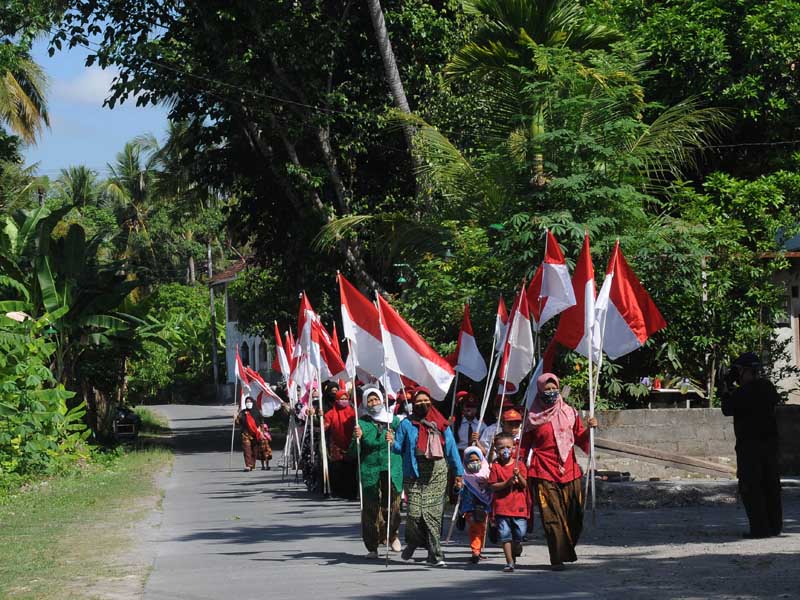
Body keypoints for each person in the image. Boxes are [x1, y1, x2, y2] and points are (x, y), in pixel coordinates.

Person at [523, 373, 597, 570]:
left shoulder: (570, 412)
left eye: (553, 388)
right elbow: (523, 447)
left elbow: (581, 439)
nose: (550, 392)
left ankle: (566, 548)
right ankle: (557, 558)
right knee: (551, 516)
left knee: (575, 515)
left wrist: (590, 429)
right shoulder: (532, 417)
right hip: (543, 471)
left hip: (570, 470)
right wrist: (518, 469)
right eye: (546, 389)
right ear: (539, 391)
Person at [390, 387, 464, 567]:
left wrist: (459, 473)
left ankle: (436, 555)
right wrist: (391, 441)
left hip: (437, 473)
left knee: (432, 516)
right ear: (413, 404)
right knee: (414, 514)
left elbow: (452, 449)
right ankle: (415, 541)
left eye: (426, 401)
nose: (422, 404)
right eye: (419, 402)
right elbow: (399, 448)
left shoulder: (441, 423)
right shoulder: (406, 424)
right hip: (414, 474)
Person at [721, 352, 782, 538]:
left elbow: (727, 409)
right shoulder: (768, 387)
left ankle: (760, 529)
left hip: (750, 447)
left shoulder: (744, 392)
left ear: (746, 371)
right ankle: (774, 527)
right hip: (770, 445)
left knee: (751, 487)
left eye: (739, 371)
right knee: (770, 485)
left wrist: (725, 389)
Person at [350, 387, 404, 558]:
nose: (374, 403)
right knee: (371, 509)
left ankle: (392, 534)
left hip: (392, 468)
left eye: (376, 400)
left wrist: (394, 440)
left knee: (393, 506)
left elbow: (404, 443)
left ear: (382, 400)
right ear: (365, 404)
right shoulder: (362, 423)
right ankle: (373, 546)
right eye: (370, 401)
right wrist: (356, 438)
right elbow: (352, 453)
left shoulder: (394, 421)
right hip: (370, 470)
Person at [487, 432, 528, 573]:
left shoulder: (520, 464)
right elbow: (492, 486)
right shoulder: (495, 466)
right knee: (505, 535)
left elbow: (524, 485)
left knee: (520, 532)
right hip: (501, 507)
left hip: (518, 507)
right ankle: (510, 562)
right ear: (496, 449)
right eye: (501, 448)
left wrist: (519, 476)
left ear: (514, 448)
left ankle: (517, 545)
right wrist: (507, 482)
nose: (505, 451)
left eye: (508, 447)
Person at [309, 389, 358, 500]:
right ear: (337, 400)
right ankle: (338, 491)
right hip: (336, 446)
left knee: (351, 469)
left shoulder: (353, 413)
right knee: (338, 469)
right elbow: (322, 427)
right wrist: (317, 417)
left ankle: (352, 493)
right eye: (341, 399)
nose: (344, 401)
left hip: (351, 445)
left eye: (346, 399)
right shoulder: (331, 414)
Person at [459, 445, 492, 564]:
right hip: (469, 506)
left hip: (483, 506)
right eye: (470, 460)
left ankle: (478, 550)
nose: (473, 462)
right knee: (475, 527)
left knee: (481, 528)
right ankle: (475, 552)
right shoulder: (463, 474)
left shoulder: (487, 472)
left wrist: (488, 484)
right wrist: (458, 487)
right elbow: (458, 491)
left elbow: (491, 488)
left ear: (481, 460)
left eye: (476, 460)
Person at [236, 396, 266, 472]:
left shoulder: (257, 412)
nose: (248, 403)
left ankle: (252, 464)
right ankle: (248, 465)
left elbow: (261, 422)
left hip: (256, 434)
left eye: (249, 401)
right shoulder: (242, 412)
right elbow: (238, 423)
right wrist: (235, 418)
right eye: (247, 402)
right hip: (245, 433)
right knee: (247, 449)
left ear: (253, 402)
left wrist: (262, 432)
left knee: (254, 450)